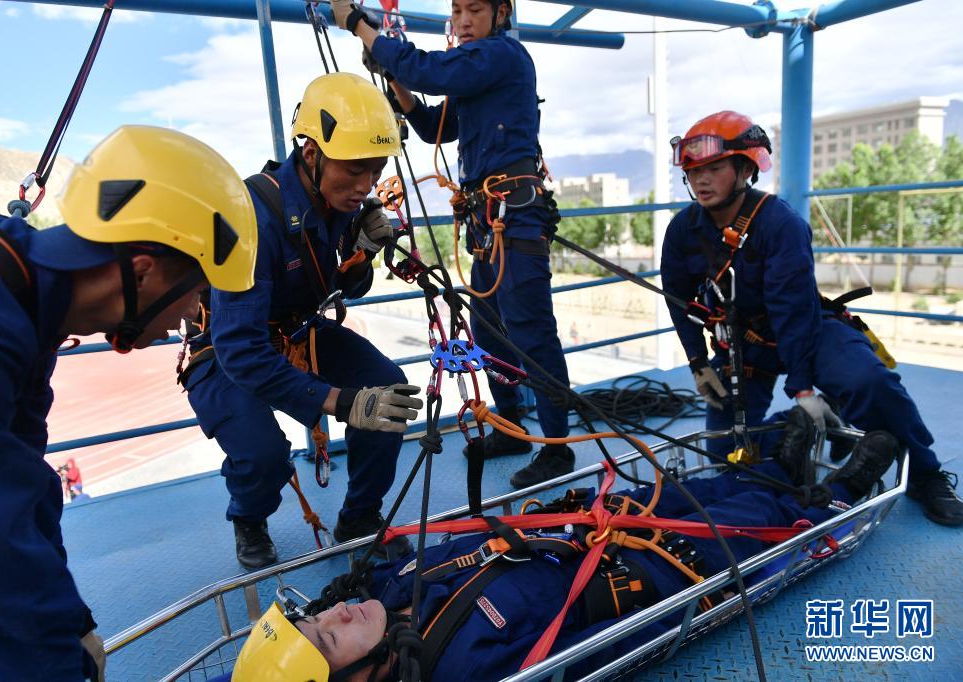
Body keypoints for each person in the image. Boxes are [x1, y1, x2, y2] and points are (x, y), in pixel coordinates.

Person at [222, 419, 901, 682]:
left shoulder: (383, 597)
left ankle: (781, 466)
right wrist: (689, 603)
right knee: (745, 525)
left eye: (316, 617)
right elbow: (597, 648)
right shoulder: (463, 668)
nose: (336, 615)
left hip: (580, 525)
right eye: (329, 638)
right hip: (643, 572)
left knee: (688, 489)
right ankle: (837, 495)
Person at [0, 125, 259, 682]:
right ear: (142, 270)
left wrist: (72, 620)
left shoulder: (24, 297)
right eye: (195, 292)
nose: (192, 315)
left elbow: (22, 478)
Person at [659, 110, 963, 527]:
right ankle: (799, 435)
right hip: (744, 344)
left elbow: (794, 310)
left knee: (870, 383)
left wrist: (802, 387)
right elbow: (680, 301)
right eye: (694, 172)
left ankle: (926, 475)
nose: (701, 181)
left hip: (808, 329)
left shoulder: (780, 223)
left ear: (745, 169)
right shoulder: (683, 230)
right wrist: (698, 363)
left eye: (714, 169)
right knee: (724, 451)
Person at [181, 73, 424, 571]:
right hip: (227, 345)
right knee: (264, 454)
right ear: (312, 153)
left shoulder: (339, 203)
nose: (365, 186)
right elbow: (241, 350)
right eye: (354, 169)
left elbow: (343, 288)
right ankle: (249, 517)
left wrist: (363, 253)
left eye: (376, 170)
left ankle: (359, 517)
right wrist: (340, 402)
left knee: (387, 390)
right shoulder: (253, 216)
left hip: (297, 330)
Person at [331, 0, 575, 489]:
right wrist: (393, 77)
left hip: (514, 218)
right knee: (488, 332)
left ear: (500, 14)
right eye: (457, 11)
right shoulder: (477, 76)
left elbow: (428, 70)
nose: (463, 21)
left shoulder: (501, 56)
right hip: (490, 223)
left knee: (531, 332)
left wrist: (360, 26)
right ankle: (512, 427)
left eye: (474, 10)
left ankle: (557, 447)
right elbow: (430, 127)